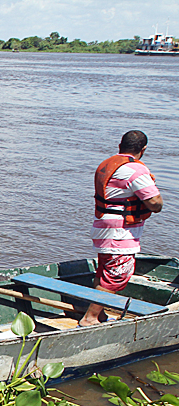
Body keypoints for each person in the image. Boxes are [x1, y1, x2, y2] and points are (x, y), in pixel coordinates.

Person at [79, 130, 164, 326]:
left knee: (104, 272)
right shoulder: (135, 170)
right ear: (143, 150)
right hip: (120, 232)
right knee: (117, 275)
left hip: (103, 226)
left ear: (120, 146)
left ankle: (99, 314)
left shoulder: (107, 163)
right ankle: (90, 319)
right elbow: (155, 202)